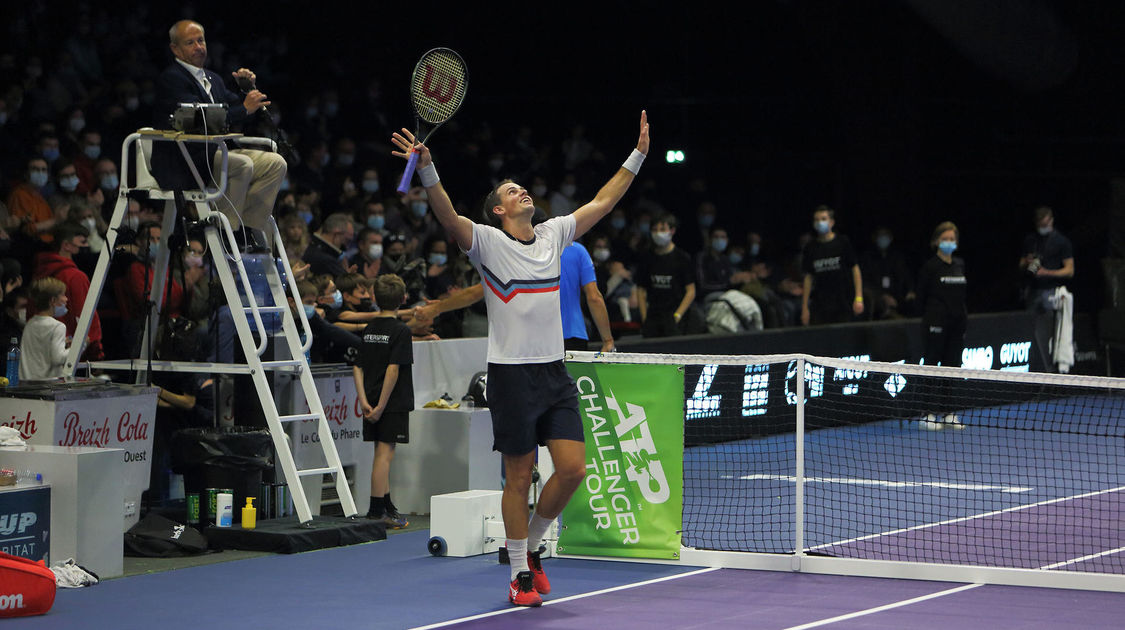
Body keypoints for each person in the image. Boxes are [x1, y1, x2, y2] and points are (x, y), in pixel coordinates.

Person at [391, 110, 649, 607]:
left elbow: (604, 199)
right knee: (517, 477)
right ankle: (518, 577)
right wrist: (427, 169)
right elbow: (446, 214)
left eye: (520, 188)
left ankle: (530, 548)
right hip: (510, 376)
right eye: (510, 192)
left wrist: (637, 154)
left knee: (573, 469)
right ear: (497, 212)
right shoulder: (485, 244)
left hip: (554, 371)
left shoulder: (554, 235)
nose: (520, 192)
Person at [151, 20, 286, 240]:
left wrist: (247, 90)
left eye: (201, 40)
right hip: (186, 160)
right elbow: (198, 120)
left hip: (215, 155)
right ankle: (227, 232)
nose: (198, 46)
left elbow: (239, 111)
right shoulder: (171, 79)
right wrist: (244, 109)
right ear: (175, 49)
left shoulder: (213, 78)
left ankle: (248, 228)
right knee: (242, 164)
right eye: (190, 42)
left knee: (276, 163)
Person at [353, 274, 413, 529]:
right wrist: (380, 407)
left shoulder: (368, 329)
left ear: (375, 298)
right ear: (403, 299)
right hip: (391, 403)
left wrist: (365, 401)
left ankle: (387, 506)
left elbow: (357, 367)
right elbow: (393, 370)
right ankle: (377, 511)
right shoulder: (401, 330)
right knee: (384, 456)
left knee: (380, 453)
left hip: (371, 401)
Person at [916, 221, 967, 430]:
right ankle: (926, 414)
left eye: (952, 239)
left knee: (952, 368)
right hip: (935, 324)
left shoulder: (959, 264)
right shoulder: (930, 267)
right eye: (945, 239)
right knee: (931, 367)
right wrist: (932, 318)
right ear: (937, 241)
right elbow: (921, 297)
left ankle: (948, 413)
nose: (949, 242)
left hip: (956, 325)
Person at [31, 221, 103, 361]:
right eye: (82, 242)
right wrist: (95, 353)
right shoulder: (75, 277)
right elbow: (85, 317)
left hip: (40, 354)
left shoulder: (39, 272)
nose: (87, 247)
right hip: (72, 357)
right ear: (66, 245)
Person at [800, 205, 864, 325]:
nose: (820, 222)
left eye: (823, 219)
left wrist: (859, 297)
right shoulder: (810, 247)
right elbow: (808, 277)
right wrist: (804, 308)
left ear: (831, 222)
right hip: (820, 304)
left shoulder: (843, 242)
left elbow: (855, 269)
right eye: (817, 219)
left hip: (843, 302)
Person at [636, 213, 696, 338]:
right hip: (652, 317)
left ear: (672, 231)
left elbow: (690, 291)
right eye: (655, 230)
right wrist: (644, 317)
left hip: (674, 318)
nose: (658, 233)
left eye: (662, 229)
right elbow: (640, 290)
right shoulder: (646, 257)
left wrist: (678, 315)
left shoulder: (682, 258)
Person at [561, 242, 615, 351]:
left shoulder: (525, 250)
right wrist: (608, 341)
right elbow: (594, 297)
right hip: (572, 334)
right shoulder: (577, 250)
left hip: (534, 337)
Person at [1019, 206, 1074, 313]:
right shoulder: (1031, 240)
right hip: (1032, 290)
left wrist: (1046, 272)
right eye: (1040, 225)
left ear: (1051, 221)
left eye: (1045, 225)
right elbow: (1021, 264)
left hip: (1051, 290)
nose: (1043, 228)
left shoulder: (1061, 241)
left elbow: (1070, 271)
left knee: (1048, 323)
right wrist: (1027, 261)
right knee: (1031, 324)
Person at [19, 277, 70, 381]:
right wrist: (80, 346)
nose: (66, 299)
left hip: (25, 384)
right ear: (53, 300)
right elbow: (58, 358)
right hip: (48, 386)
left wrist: (63, 342)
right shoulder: (58, 326)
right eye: (63, 295)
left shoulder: (30, 323)